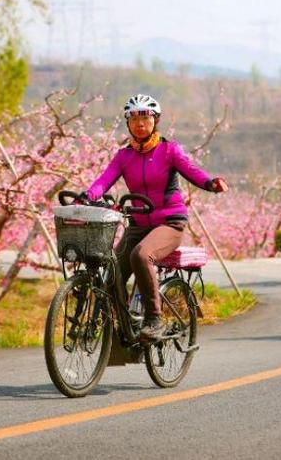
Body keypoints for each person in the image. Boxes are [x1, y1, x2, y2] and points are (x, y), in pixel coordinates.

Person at [85, 94, 228, 341]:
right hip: (138, 224)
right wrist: (88, 195)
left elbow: (191, 170)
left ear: (155, 120)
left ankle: (155, 319)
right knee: (112, 274)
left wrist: (210, 183)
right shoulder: (123, 156)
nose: (140, 123)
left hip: (169, 223)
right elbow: (104, 180)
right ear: (127, 123)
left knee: (141, 255)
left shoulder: (169, 150)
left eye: (145, 117)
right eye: (133, 118)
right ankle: (117, 324)